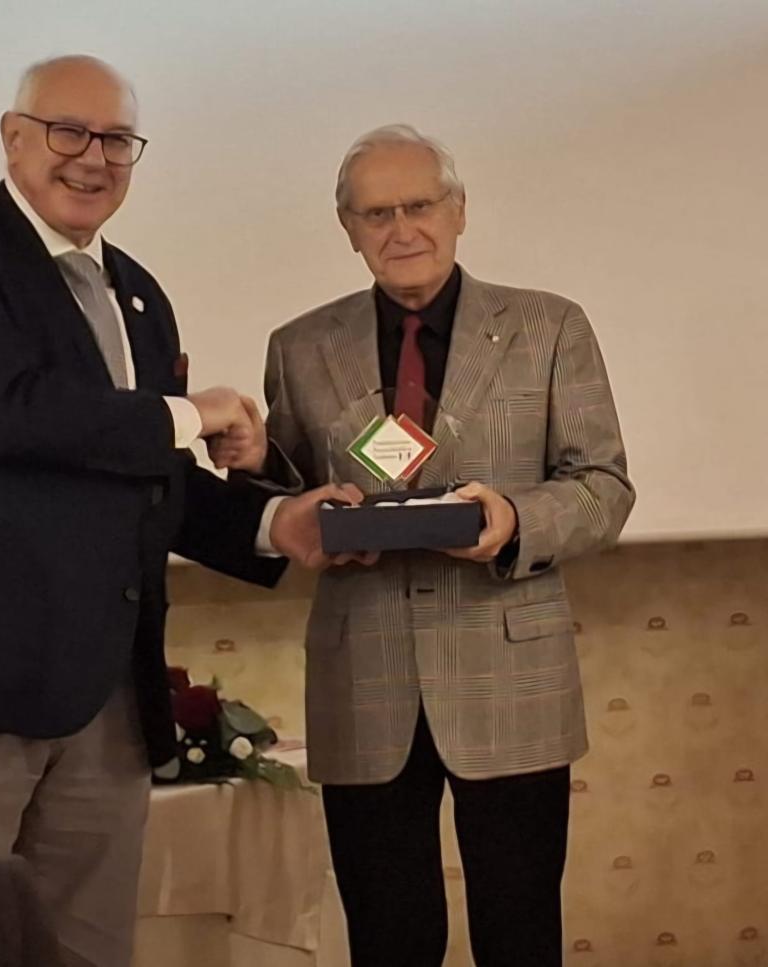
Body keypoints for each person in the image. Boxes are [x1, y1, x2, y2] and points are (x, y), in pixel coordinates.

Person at [0, 54, 347, 967]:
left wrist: (278, 522)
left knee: (88, 952)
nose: (93, 157)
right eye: (67, 131)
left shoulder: (141, 297)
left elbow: (137, 475)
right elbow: (6, 413)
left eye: (117, 139)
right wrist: (190, 414)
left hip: (107, 703)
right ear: (12, 138)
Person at [214, 124, 635, 966]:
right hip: (363, 683)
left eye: (419, 205)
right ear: (348, 227)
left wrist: (513, 519)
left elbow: (603, 486)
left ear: (459, 210)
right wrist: (258, 465)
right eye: (377, 213)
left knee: (521, 935)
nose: (401, 229)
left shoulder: (549, 326)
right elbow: (290, 497)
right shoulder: (299, 345)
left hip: (511, 679)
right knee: (388, 939)